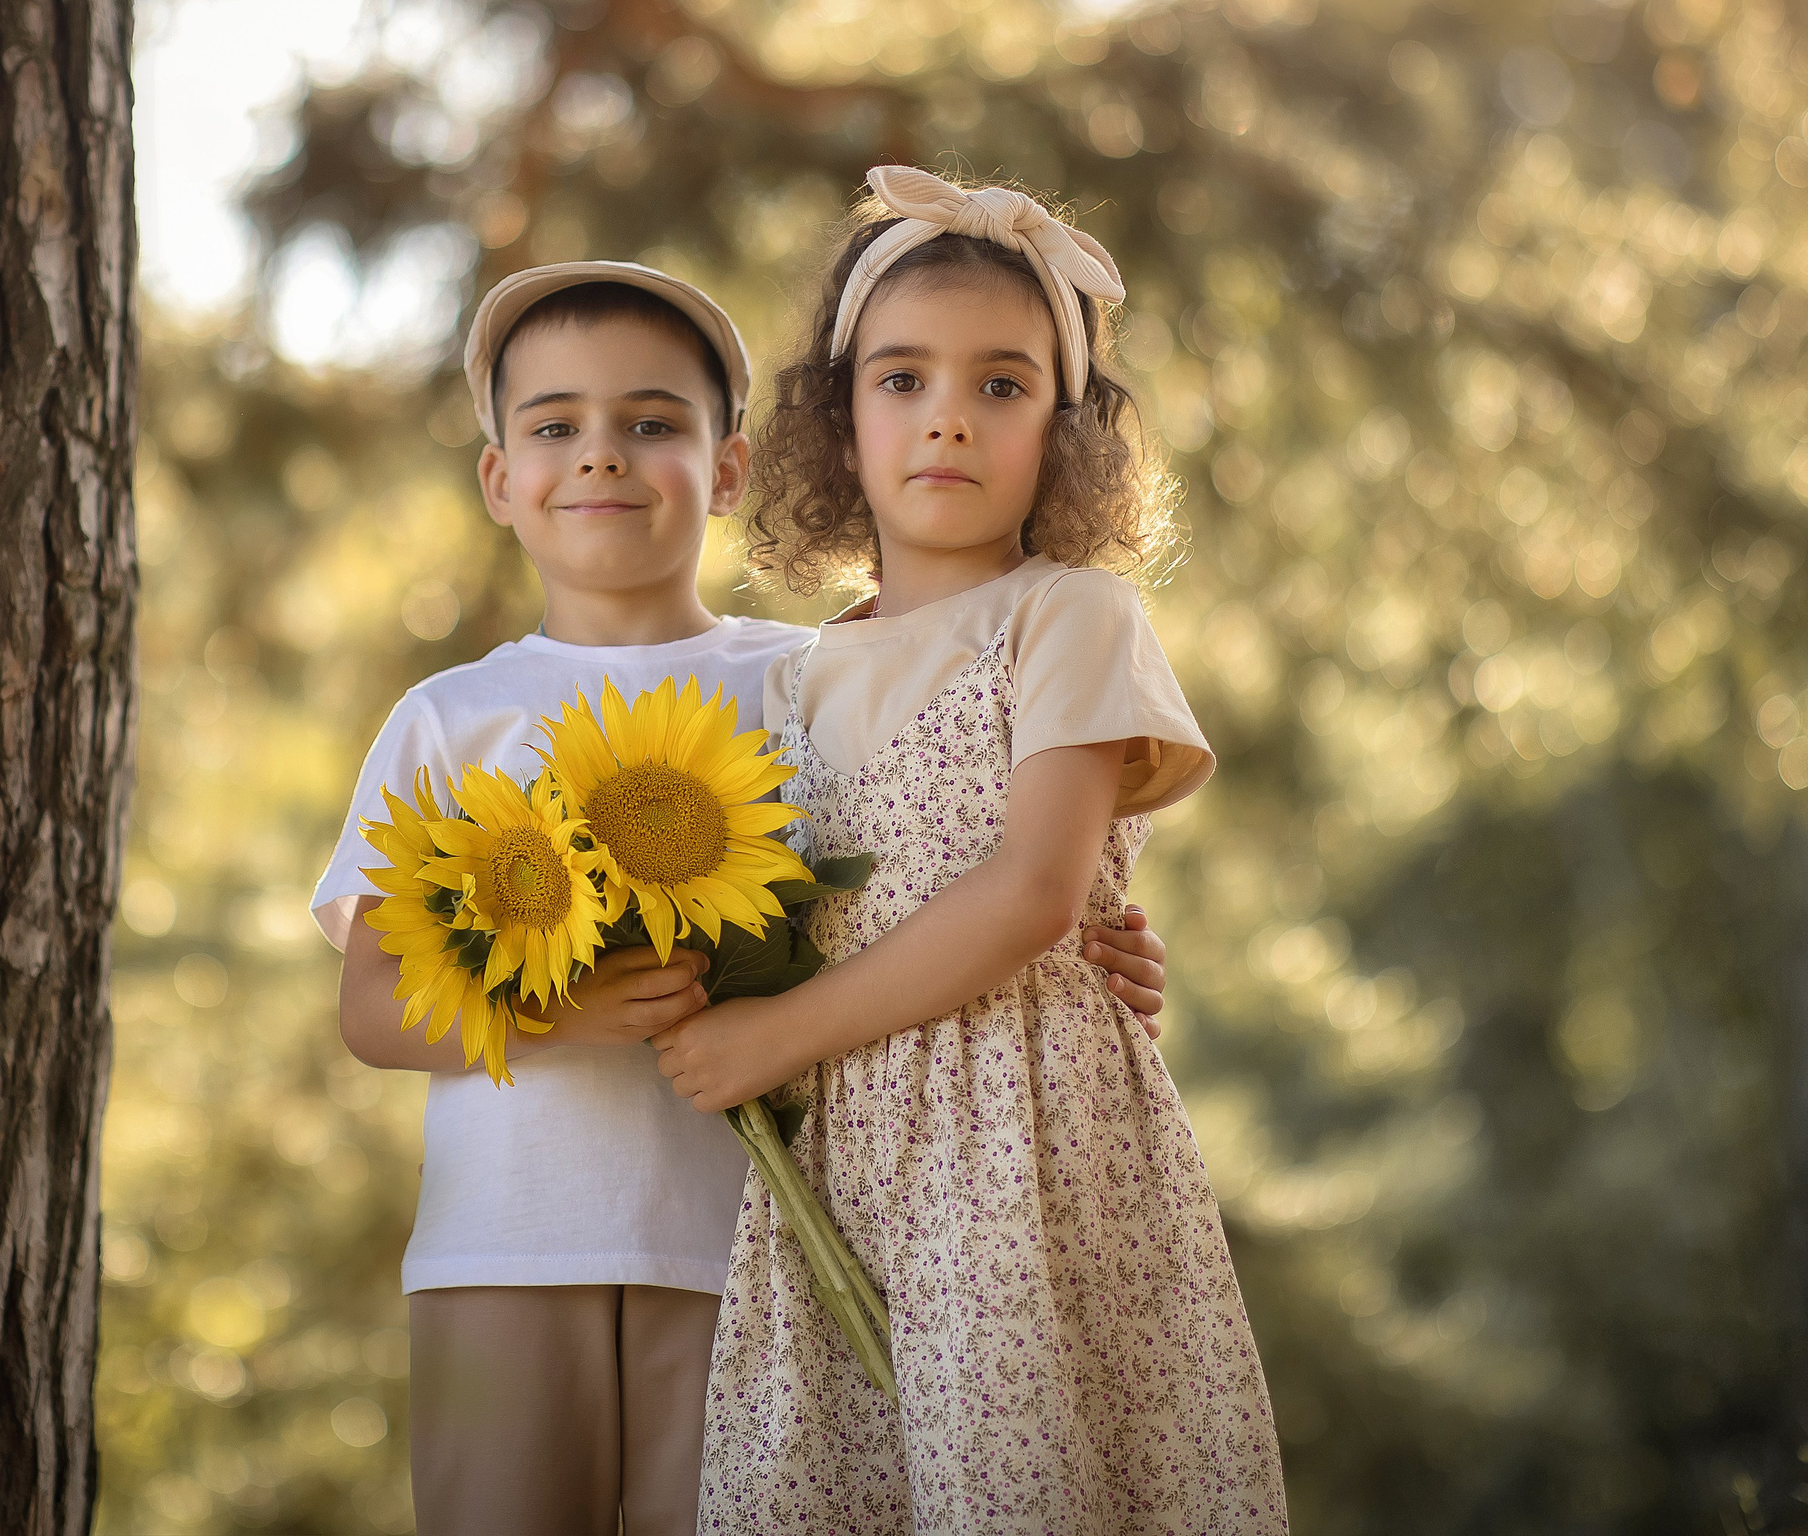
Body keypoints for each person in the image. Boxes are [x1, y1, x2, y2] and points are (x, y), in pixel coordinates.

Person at [308, 259, 1179, 1536]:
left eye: (651, 424)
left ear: (728, 470)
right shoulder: (448, 718)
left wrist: (1094, 951)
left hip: (751, 1250)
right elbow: (375, 1012)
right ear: (500, 479)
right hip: (504, 1242)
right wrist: (574, 1012)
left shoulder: (808, 681)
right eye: (554, 427)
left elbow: (938, 870)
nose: (601, 457)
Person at [652, 169, 1289, 1534]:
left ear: (1069, 434)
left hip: (1021, 1143)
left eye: (1002, 385)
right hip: (848, 1155)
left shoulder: (1069, 617)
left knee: (1017, 1473)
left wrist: (775, 1039)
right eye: (902, 379)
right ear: (838, 420)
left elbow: (1031, 893)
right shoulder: (795, 676)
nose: (948, 411)